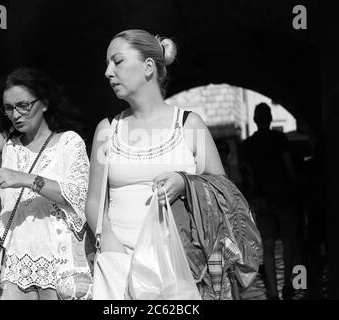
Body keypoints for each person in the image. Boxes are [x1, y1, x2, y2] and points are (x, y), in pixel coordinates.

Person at [84, 29, 250, 300]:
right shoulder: (107, 130)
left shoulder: (189, 125)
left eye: (117, 61)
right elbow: (93, 201)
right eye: (107, 64)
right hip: (121, 265)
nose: (108, 72)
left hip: (184, 268)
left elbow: (224, 193)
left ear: (148, 67)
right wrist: (109, 244)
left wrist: (185, 182)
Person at [0, 67, 91, 300]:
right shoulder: (11, 147)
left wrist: (25, 179)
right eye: (8, 108)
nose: (15, 115)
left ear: (43, 103)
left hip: (59, 266)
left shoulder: (69, 143)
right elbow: (8, 208)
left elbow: (79, 197)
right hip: (16, 267)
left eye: (23, 105)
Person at [241, 102, 298, 300]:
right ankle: (290, 285)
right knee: (289, 241)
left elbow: (248, 175)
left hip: (262, 198)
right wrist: (295, 186)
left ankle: (273, 292)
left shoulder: (247, 145)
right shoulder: (279, 138)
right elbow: (289, 165)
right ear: (270, 118)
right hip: (284, 196)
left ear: (255, 120)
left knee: (268, 246)